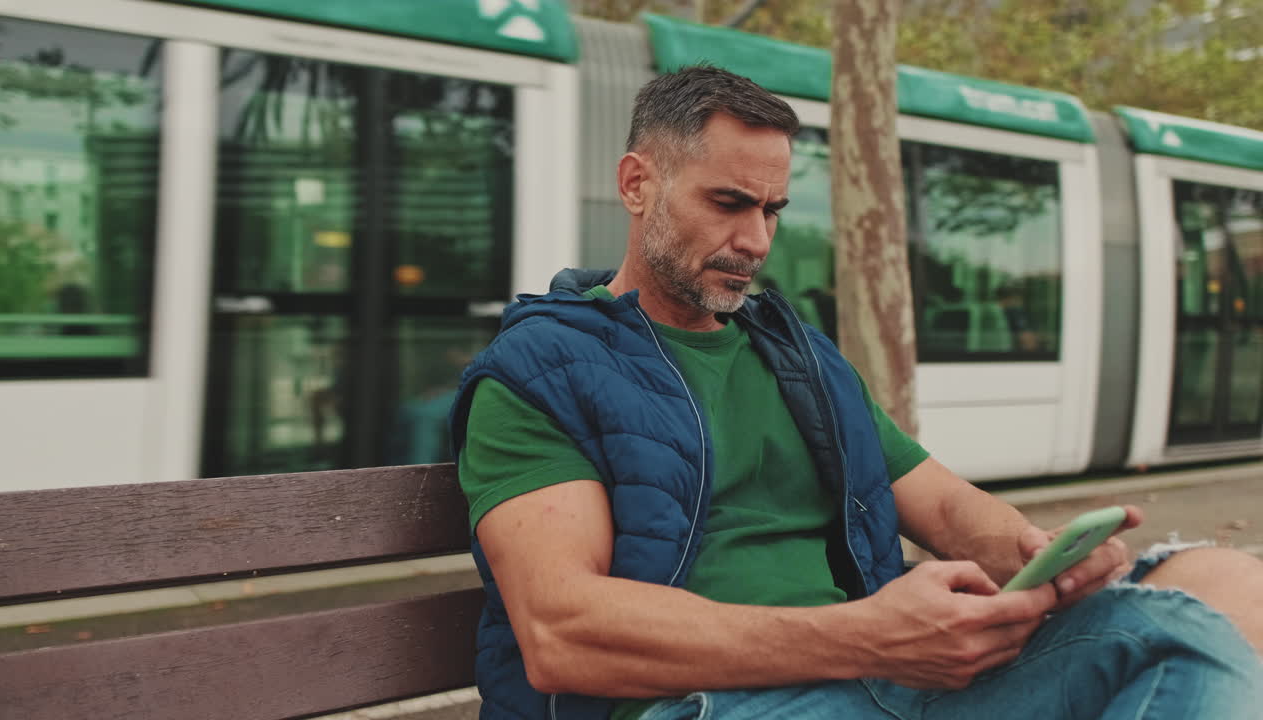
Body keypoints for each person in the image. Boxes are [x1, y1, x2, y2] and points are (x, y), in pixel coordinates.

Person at [448, 66, 1263, 720]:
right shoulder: (538, 370)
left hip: (884, 679)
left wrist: (1031, 553)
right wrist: (867, 639)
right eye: (728, 203)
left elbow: (942, 508)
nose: (756, 241)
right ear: (636, 184)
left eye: (772, 210)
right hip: (707, 702)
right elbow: (563, 634)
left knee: (1185, 630)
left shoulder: (794, 352)